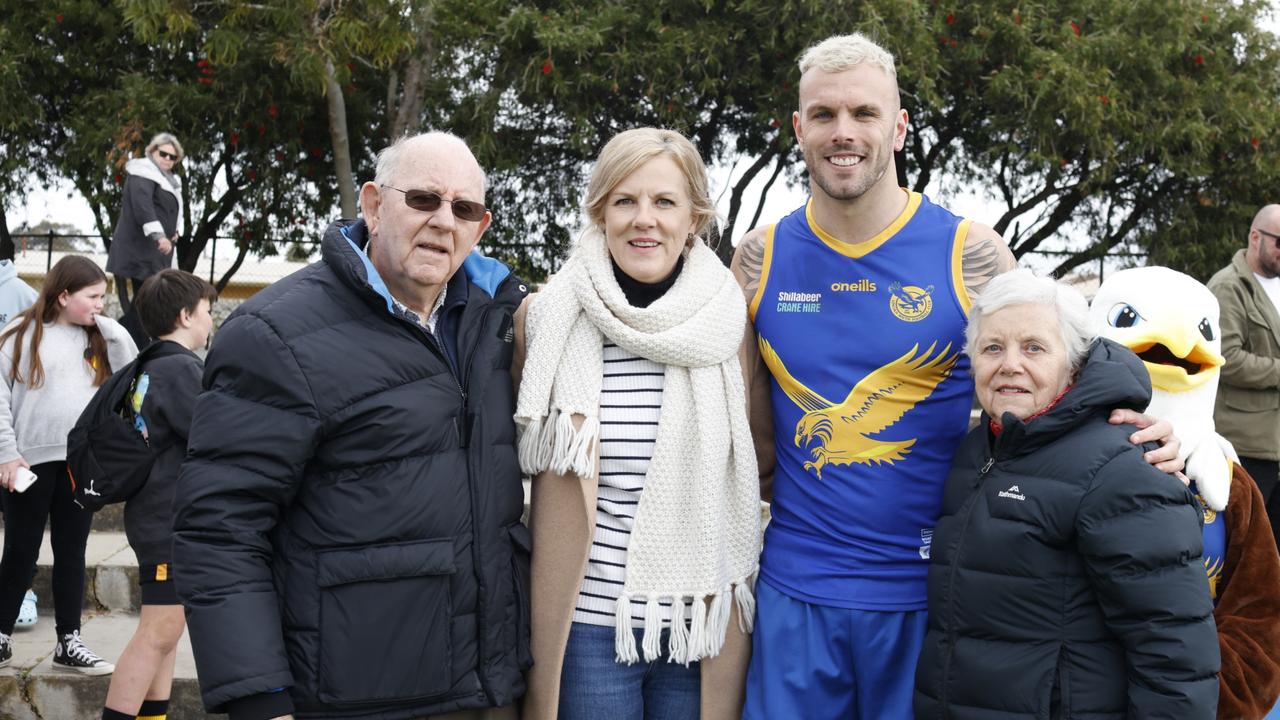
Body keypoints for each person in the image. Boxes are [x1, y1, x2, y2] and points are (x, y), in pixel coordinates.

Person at [729, 33, 1184, 720]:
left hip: (933, 600)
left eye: (864, 113)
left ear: (900, 126)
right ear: (798, 128)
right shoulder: (759, 260)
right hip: (796, 595)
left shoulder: (970, 254)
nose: (843, 132)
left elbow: (1064, 374)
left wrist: (1151, 438)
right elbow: (746, 432)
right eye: (823, 115)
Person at [173, 132, 529, 720]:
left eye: (463, 209)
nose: (444, 221)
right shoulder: (276, 334)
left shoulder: (496, 326)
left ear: (480, 227)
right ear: (372, 204)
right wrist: (258, 698)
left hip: (482, 688)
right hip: (352, 694)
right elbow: (220, 528)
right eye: (423, 199)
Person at [515, 128, 760, 720]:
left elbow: (762, 461)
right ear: (601, 212)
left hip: (698, 624)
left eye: (664, 202)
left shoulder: (730, 327)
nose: (643, 220)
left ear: (695, 217)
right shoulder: (544, 319)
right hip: (587, 628)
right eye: (625, 201)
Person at [914, 269, 1220, 718]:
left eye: (1034, 347)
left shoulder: (1125, 465)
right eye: (992, 347)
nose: (1010, 364)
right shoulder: (978, 451)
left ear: (1074, 362)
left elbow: (1174, 657)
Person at [0, 255, 138, 675]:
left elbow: (131, 374)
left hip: (79, 464)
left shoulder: (97, 337)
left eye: (103, 297)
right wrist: (6, 453)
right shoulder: (19, 335)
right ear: (63, 295)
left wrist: (109, 327)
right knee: (21, 550)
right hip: (28, 462)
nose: (100, 304)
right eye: (92, 297)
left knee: (72, 551)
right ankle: (1, 638)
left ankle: (68, 641)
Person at [101, 269, 216, 720]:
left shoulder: (150, 365)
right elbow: (213, 436)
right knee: (158, 633)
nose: (210, 322)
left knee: (166, 634)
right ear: (186, 316)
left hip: (155, 517)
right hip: (168, 520)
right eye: (207, 313)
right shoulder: (182, 369)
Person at [1209, 203, 1280, 552]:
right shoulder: (1228, 287)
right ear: (1256, 237)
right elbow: (1228, 359)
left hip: (1274, 444)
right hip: (1245, 444)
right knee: (1244, 549)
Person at [107, 132, 183, 347]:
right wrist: (159, 235)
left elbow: (168, 210)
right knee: (146, 300)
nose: (168, 159)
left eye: (173, 157)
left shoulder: (168, 179)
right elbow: (143, 207)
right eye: (164, 154)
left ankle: (123, 342)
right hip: (142, 251)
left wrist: (174, 232)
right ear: (152, 151)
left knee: (144, 301)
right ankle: (121, 341)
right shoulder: (143, 171)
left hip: (155, 253)